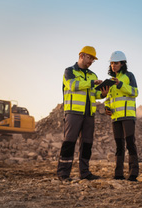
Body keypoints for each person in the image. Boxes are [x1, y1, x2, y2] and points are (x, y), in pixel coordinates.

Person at [57, 46, 108, 181]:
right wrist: (92, 83)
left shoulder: (93, 75)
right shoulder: (69, 71)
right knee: (69, 142)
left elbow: (95, 93)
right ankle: (63, 174)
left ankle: (85, 173)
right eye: (89, 58)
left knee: (87, 144)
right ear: (81, 55)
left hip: (89, 114)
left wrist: (103, 94)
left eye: (93, 59)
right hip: (73, 112)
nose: (91, 61)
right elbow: (73, 85)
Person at [104, 51, 139, 181]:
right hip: (115, 117)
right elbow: (108, 98)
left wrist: (121, 85)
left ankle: (133, 173)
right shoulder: (110, 81)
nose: (113, 65)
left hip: (128, 116)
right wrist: (106, 107)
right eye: (112, 63)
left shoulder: (129, 76)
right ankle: (118, 174)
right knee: (119, 145)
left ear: (122, 64)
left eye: (116, 63)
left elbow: (135, 92)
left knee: (130, 143)